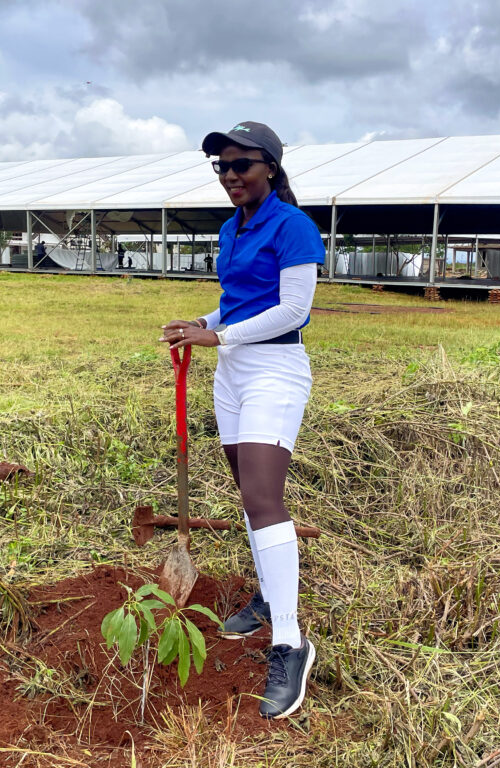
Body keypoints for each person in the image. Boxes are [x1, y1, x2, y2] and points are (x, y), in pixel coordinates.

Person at [159, 121, 324, 720]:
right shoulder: (232, 228)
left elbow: (293, 310)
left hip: (274, 371)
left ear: (270, 170)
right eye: (221, 168)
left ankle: (290, 641)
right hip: (230, 372)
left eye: (241, 166)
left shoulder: (294, 226)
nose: (230, 177)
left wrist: (219, 333)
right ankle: (266, 593)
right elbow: (236, 301)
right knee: (250, 495)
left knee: (262, 499)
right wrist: (197, 323)